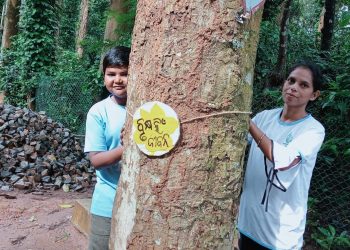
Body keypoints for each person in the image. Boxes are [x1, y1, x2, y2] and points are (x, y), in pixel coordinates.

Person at [237, 61, 325, 250]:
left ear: (314, 95)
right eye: (291, 80)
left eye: (303, 85)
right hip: (247, 224)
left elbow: (283, 159)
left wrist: (247, 121)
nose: (294, 87)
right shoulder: (264, 117)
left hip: (280, 236)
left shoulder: (313, 130)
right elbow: (235, 140)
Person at [84, 46, 131, 250]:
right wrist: (128, 146)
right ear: (104, 77)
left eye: (124, 73)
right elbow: (96, 160)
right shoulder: (98, 112)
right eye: (111, 74)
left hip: (140, 201)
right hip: (107, 201)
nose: (118, 80)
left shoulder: (147, 109)